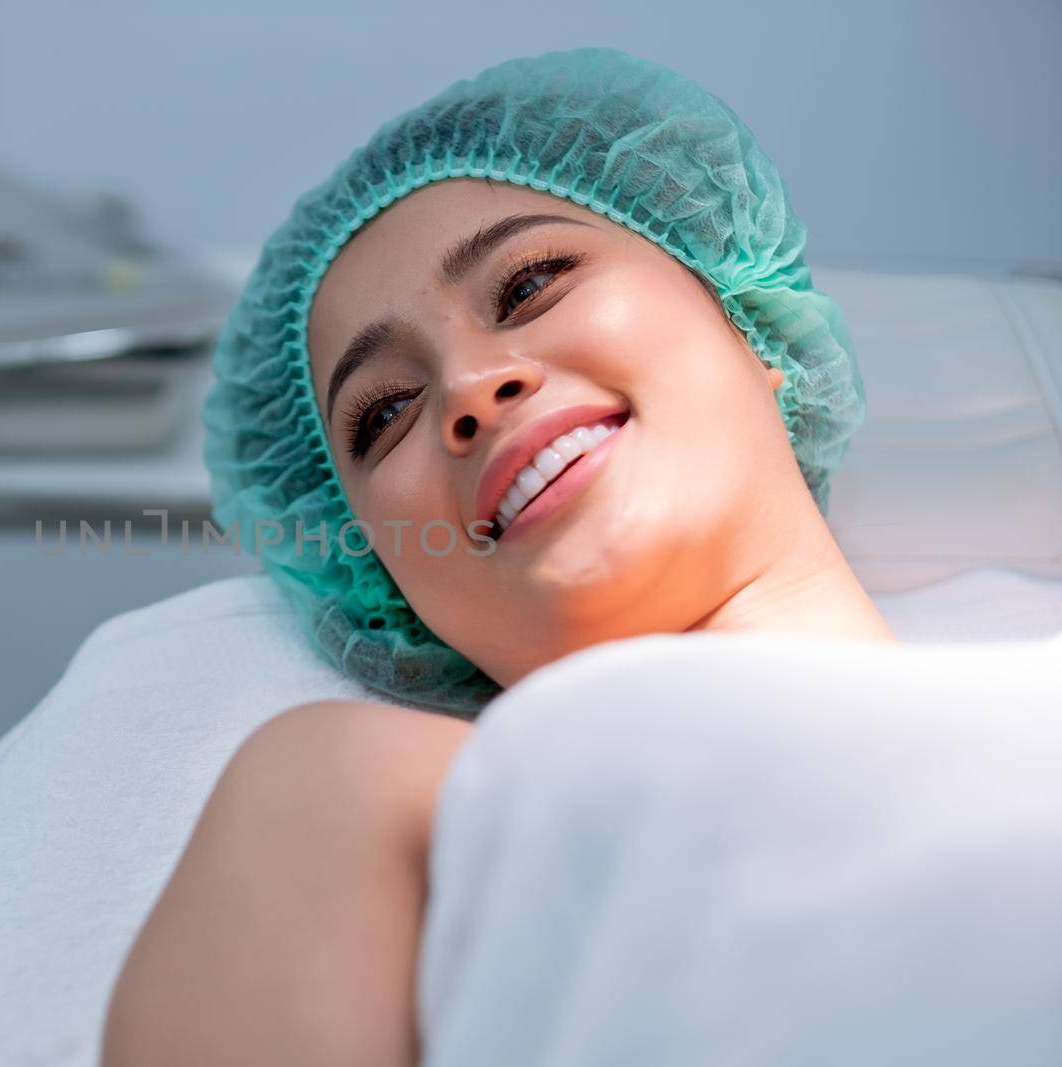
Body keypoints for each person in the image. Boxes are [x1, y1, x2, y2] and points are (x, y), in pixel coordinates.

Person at [101, 47, 899, 1067]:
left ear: (755, 326)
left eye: (529, 284)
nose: (473, 385)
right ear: (388, 583)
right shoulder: (351, 792)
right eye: (384, 413)